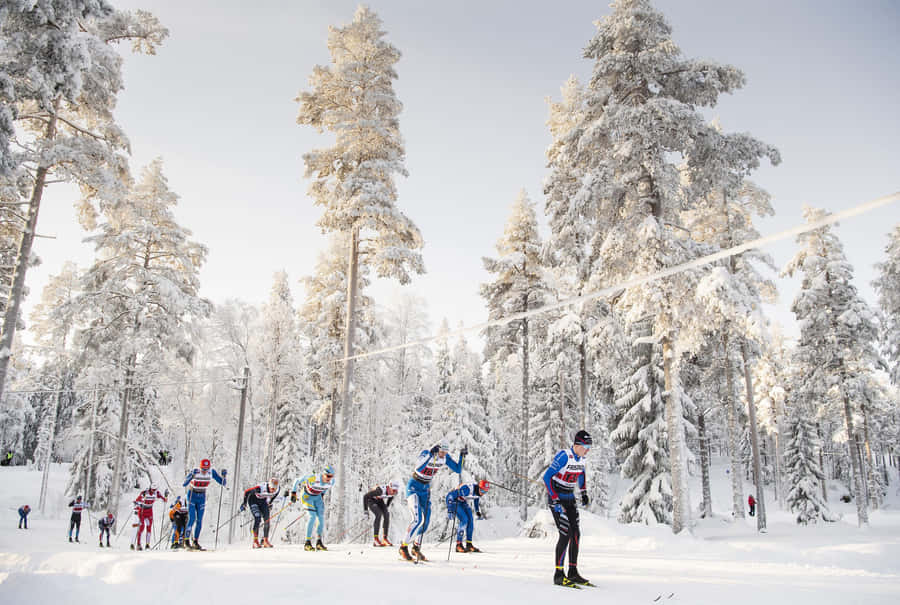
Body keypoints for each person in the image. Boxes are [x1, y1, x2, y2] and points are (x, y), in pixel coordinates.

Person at [399, 439, 465, 562]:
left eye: (445, 452)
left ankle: (416, 548)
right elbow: (418, 467)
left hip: (425, 489)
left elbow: (458, 469)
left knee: (426, 520)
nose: (443, 454)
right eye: (441, 452)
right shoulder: (426, 453)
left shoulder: (445, 457)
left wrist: (462, 456)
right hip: (414, 487)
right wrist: (430, 453)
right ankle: (403, 547)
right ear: (437, 449)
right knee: (417, 519)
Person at [543, 430, 592, 588]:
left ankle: (573, 571)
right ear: (577, 445)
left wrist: (583, 492)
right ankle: (558, 574)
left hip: (570, 497)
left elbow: (582, 474)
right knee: (566, 533)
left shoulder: (582, 459)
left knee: (576, 534)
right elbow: (547, 476)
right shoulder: (565, 456)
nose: (587, 450)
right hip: (557, 497)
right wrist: (554, 498)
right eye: (585, 446)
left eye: (589, 447)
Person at [183, 458, 227, 550]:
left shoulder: (211, 472)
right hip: (192, 495)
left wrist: (224, 476)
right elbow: (184, 484)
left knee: (199, 520)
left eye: (206, 469)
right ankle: (186, 541)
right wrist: (191, 475)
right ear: (200, 467)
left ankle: (195, 541)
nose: (204, 471)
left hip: (202, 496)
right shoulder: (196, 471)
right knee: (192, 518)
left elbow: (223, 483)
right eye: (203, 469)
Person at [290, 465, 335, 551]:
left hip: (317, 497)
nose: (329, 478)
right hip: (307, 496)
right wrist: (293, 492)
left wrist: (322, 495)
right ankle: (307, 542)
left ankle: (319, 542)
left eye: (331, 476)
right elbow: (297, 480)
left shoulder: (332, 481)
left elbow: (325, 489)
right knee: (312, 516)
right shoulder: (313, 478)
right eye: (328, 476)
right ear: (324, 474)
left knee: (321, 518)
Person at [446, 480, 490, 553]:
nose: (482, 493)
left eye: (485, 492)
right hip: (454, 501)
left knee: (470, 521)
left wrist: (477, 511)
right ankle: (458, 545)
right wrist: (450, 509)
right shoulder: (467, 489)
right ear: (479, 487)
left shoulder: (478, 492)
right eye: (482, 490)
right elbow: (450, 495)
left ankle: (469, 544)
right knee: (464, 520)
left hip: (462, 501)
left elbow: (476, 499)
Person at [241, 478, 281, 548]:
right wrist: (244, 503)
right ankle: (255, 542)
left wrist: (269, 503)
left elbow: (273, 496)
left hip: (263, 501)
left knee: (267, 519)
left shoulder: (277, 490)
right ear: (269, 486)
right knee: (258, 518)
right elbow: (247, 492)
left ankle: (265, 541)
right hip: (253, 500)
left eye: (274, 488)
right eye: (272, 488)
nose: (273, 490)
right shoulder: (260, 488)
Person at [363, 480, 400, 546]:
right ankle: (376, 539)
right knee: (378, 514)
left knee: (386, 514)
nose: (394, 492)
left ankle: (385, 539)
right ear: (390, 487)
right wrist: (366, 511)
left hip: (379, 500)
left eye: (395, 491)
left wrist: (385, 508)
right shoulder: (380, 491)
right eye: (393, 490)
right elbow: (365, 496)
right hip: (370, 500)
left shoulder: (393, 493)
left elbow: (389, 499)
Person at [131, 483, 167, 551]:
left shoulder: (157, 493)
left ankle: (147, 544)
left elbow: (163, 499)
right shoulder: (144, 493)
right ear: (150, 488)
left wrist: (165, 497)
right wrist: (139, 502)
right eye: (152, 489)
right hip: (142, 511)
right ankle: (138, 544)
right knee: (142, 527)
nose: (153, 491)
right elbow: (137, 501)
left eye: (155, 489)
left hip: (149, 511)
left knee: (149, 527)